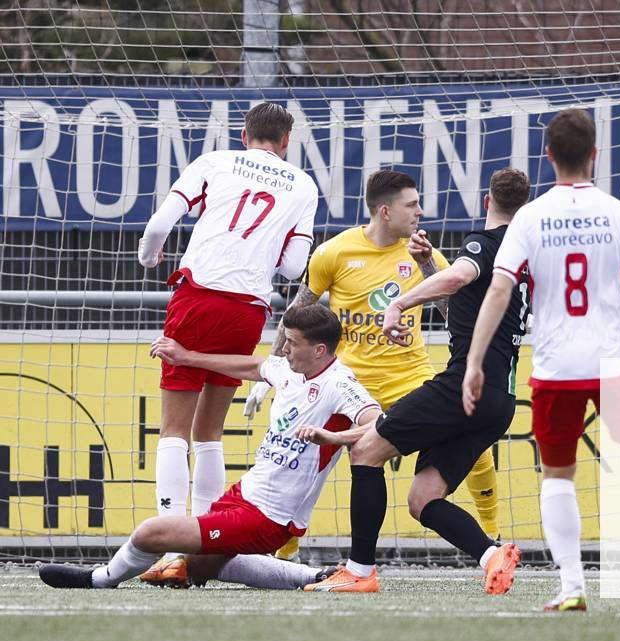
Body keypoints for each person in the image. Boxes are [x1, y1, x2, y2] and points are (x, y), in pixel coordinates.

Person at [462, 109, 620, 612]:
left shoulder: (529, 216)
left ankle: (572, 586)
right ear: (594, 154)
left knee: (558, 476)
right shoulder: (618, 212)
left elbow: (499, 290)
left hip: (556, 367)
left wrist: (475, 362)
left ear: (549, 157)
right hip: (613, 361)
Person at [244, 169, 500, 562]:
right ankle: (282, 553)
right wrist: (275, 370)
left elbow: (455, 314)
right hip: (347, 384)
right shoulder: (334, 252)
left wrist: (429, 265)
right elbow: (299, 311)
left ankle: (493, 536)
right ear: (385, 211)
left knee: (475, 448)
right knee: (302, 456)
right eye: (411, 205)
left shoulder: (424, 254)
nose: (420, 212)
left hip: (410, 379)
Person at [302, 168, 532, 594]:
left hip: (462, 385)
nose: (420, 211)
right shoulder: (521, 258)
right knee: (423, 499)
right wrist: (427, 263)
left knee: (366, 451)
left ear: (487, 202)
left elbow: (460, 276)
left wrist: (400, 302)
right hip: (500, 400)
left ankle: (360, 570)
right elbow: (465, 301)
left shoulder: (483, 244)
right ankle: (492, 554)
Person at [38, 306, 380, 591]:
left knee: (151, 533)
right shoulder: (290, 370)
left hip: (270, 517)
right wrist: (186, 357)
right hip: (243, 494)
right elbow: (251, 365)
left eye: (291, 343)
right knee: (199, 567)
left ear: (319, 350)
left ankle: (99, 579)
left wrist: (334, 438)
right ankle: (313, 576)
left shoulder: (339, 383)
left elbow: (378, 421)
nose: (284, 349)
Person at [135, 102, 318, 585]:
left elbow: (158, 225)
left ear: (244, 135)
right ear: (285, 141)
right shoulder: (302, 184)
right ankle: (201, 542)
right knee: (209, 432)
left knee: (173, 430)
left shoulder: (214, 162)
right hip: (247, 308)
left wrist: (149, 258)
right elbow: (296, 266)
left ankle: (171, 542)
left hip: (197, 296)